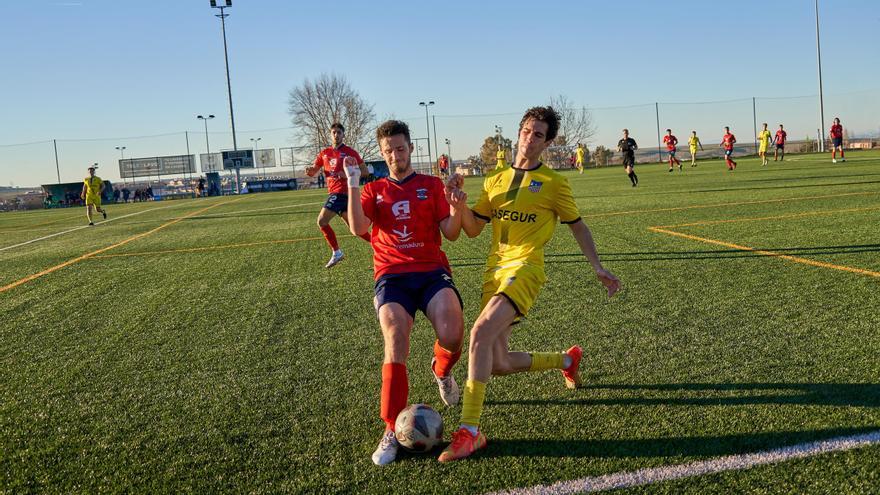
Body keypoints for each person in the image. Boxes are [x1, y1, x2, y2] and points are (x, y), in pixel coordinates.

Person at [437, 106, 621, 462]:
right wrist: (456, 205)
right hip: (494, 272)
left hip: (526, 269)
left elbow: (578, 226)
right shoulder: (495, 180)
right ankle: (566, 361)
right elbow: (473, 230)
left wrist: (597, 266)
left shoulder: (554, 184)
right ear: (518, 133)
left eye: (539, 135)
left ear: (548, 142)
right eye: (526, 131)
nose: (529, 139)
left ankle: (469, 432)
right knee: (497, 363)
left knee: (479, 332)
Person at [341, 120, 466, 466]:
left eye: (400, 148)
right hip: (392, 277)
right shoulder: (373, 190)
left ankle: (442, 371)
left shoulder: (430, 185)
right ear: (381, 155)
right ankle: (389, 429)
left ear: (410, 148)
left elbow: (452, 233)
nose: (395, 155)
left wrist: (455, 207)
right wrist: (353, 184)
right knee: (395, 337)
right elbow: (358, 228)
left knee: (453, 334)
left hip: (431, 272)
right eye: (388, 151)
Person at [305, 122, 370, 268]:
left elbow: (365, 172)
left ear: (343, 134)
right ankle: (380, 246)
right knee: (356, 229)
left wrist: (347, 175)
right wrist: (310, 171)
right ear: (330, 134)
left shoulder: (350, 152)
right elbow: (315, 170)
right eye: (334, 132)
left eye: (339, 132)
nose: (336, 135)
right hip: (337, 193)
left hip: (342, 193)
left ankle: (337, 252)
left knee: (321, 221)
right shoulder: (324, 153)